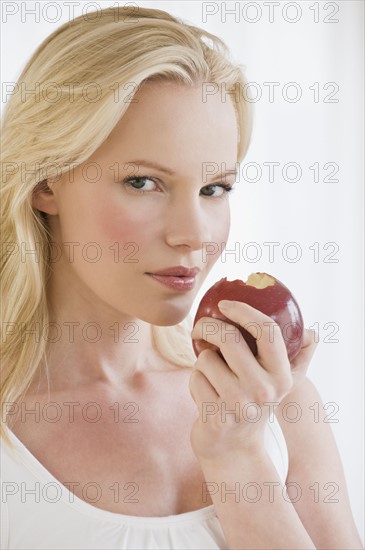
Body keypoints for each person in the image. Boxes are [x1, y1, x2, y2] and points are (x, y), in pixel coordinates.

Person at [0, 6, 363, 550]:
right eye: (143, 181)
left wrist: (237, 456)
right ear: (45, 183)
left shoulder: (276, 401)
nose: (193, 234)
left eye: (214, 188)